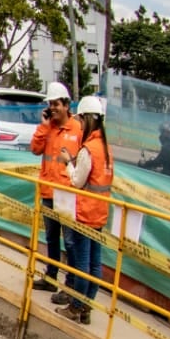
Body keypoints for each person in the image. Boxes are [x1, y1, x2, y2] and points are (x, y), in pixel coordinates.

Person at [54, 96, 113, 325]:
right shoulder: (106, 148)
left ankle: (76, 306)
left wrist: (69, 162)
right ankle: (87, 307)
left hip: (85, 213)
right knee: (95, 265)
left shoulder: (89, 149)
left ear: (87, 119)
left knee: (81, 264)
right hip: (100, 213)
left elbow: (78, 181)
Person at [29, 82, 82, 293]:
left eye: (56, 104)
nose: (53, 108)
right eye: (50, 104)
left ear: (67, 105)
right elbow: (35, 149)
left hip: (68, 194)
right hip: (49, 191)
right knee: (51, 237)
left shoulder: (78, 129)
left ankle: (70, 282)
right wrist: (43, 126)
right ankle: (51, 277)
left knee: (70, 242)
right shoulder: (48, 128)